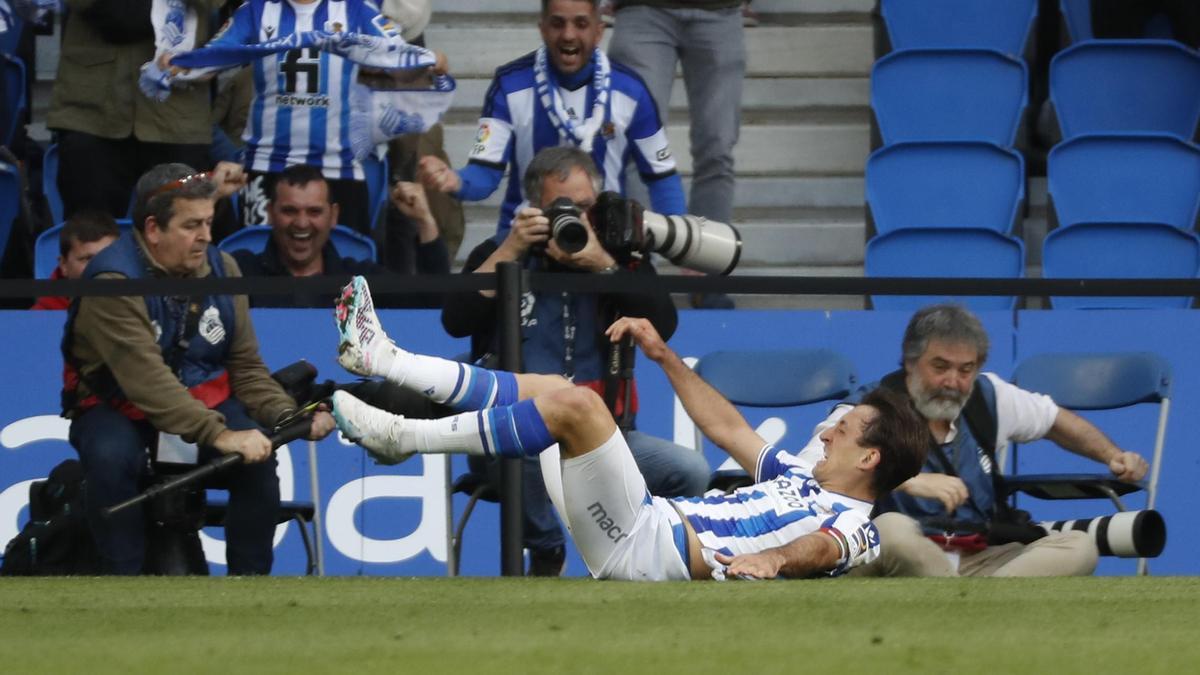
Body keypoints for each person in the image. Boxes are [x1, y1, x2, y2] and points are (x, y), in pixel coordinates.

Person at [328, 276, 930, 580]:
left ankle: (401, 436)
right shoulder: (797, 473)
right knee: (552, 390)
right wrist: (664, 354)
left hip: (648, 548)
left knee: (583, 407)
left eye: (844, 429)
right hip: (638, 524)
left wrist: (772, 560)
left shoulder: (857, 528)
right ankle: (384, 360)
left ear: (871, 459)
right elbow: (724, 426)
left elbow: (820, 549)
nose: (826, 433)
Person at [441, 146, 709, 575]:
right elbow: (455, 321)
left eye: (584, 206)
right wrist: (512, 246)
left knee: (691, 470)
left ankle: (653, 566)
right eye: (560, 208)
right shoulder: (502, 251)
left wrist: (604, 266)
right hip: (513, 435)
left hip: (607, 438)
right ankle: (548, 552)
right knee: (531, 440)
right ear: (534, 209)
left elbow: (664, 324)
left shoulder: (621, 258)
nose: (575, 217)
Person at [60, 163, 336, 575]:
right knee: (109, 455)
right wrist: (221, 435)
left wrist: (287, 415)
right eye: (191, 226)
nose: (205, 237)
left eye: (208, 223)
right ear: (153, 229)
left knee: (260, 461)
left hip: (199, 401)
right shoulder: (113, 281)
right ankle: (122, 587)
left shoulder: (225, 269)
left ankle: (252, 591)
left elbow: (245, 368)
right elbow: (147, 383)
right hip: (116, 408)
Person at [841, 304, 1151, 578]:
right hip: (900, 554)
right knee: (892, 530)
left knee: (1080, 546)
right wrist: (907, 480)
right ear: (910, 362)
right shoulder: (869, 407)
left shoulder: (988, 396)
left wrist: (1112, 456)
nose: (953, 382)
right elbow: (816, 471)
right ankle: (970, 601)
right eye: (940, 367)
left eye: (966, 370)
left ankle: (979, 598)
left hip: (979, 557)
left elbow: (1054, 420)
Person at [416, 0, 686, 237]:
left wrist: (683, 237)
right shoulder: (510, 84)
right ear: (542, 28)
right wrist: (456, 181)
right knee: (473, 289)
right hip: (524, 239)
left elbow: (661, 176)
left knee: (650, 297)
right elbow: (485, 174)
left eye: (581, 24)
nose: (568, 35)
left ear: (598, 31)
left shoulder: (631, 90)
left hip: (605, 241)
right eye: (557, 23)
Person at [182, 0, 448, 234]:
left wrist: (430, 62)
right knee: (261, 267)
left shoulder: (356, 10)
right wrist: (177, 65)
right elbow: (213, 57)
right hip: (266, 165)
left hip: (339, 167)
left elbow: (398, 57)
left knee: (345, 273)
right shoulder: (256, 9)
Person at [606, 0, 746, 310]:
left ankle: (709, 271)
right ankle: (639, 274)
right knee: (636, 146)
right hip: (642, 9)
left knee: (718, 148)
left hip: (721, 11)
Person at [47, 0, 222, 219]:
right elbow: (118, 17)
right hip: (92, 109)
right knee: (92, 233)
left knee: (180, 230)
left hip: (178, 112)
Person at [230, 163, 448, 307]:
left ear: (333, 215)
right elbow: (196, 293)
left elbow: (431, 303)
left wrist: (425, 221)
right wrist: (209, 199)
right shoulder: (240, 271)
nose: (302, 222)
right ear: (270, 214)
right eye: (290, 211)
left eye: (314, 211)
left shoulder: (360, 281)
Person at [31, 210, 120, 310]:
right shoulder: (38, 318)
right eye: (88, 258)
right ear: (64, 265)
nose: (99, 267)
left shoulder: (137, 306)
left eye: (108, 257)